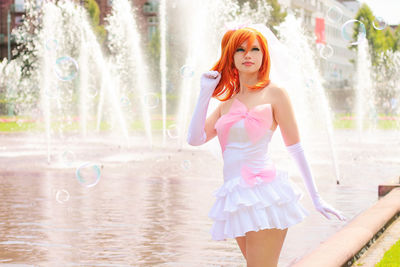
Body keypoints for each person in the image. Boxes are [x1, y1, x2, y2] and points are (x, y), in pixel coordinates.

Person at [186, 24, 346, 266]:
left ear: (264, 55)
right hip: (235, 195)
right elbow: (194, 139)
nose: (248, 55)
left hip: (263, 193)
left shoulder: (275, 93)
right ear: (231, 56)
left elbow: (296, 148)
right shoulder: (227, 103)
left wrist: (316, 198)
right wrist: (204, 93)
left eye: (254, 49)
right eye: (240, 50)